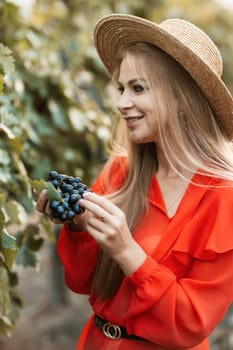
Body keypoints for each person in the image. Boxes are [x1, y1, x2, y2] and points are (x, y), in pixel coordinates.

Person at [36, 13, 233, 350]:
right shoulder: (120, 173)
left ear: (181, 98)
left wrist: (127, 251)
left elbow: (190, 325)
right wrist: (80, 228)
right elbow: (83, 283)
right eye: (121, 88)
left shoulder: (223, 198)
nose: (121, 103)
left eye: (138, 88)